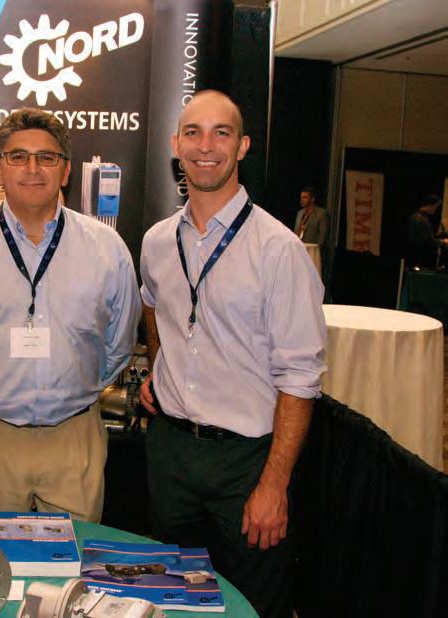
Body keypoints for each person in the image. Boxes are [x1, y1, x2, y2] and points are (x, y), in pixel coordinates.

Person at [139, 90, 326, 618]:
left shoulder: (278, 249)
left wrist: (275, 484)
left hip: (246, 463)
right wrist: (161, 367)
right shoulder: (157, 241)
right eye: (193, 132)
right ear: (175, 145)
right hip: (172, 452)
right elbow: (153, 306)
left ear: (242, 147)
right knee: (172, 600)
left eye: (221, 133)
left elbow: (301, 376)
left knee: (253, 604)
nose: (206, 146)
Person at [0, 108, 140, 523]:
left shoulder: (106, 248)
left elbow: (119, 344)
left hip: (74, 436)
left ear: (66, 170)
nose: (32, 168)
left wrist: (77, 385)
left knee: (72, 558)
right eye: (18, 156)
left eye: (47, 157)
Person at [406, 194, 446, 268]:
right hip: (420, 256)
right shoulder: (422, 219)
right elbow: (429, 241)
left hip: (413, 254)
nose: (435, 209)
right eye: (436, 207)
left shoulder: (414, 216)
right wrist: (443, 241)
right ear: (430, 205)